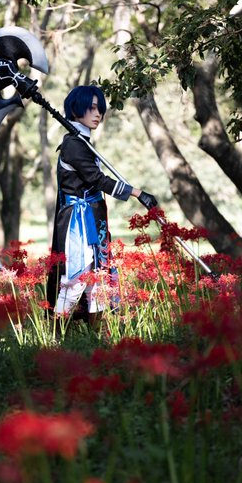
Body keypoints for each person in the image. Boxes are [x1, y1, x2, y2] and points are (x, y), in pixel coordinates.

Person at [48, 85, 158, 330]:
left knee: (98, 278)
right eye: (91, 108)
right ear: (76, 110)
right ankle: (54, 337)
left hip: (92, 218)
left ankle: (96, 336)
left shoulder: (83, 142)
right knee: (76, 278)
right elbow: (96, 179)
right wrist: (137, 193)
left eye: (100, 109)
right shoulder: (73, 145)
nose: (97, 114)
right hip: (78, 222)